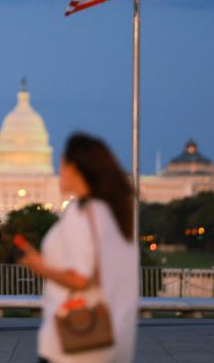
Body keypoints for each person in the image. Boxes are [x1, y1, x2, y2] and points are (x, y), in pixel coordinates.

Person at [18, 133, 138, 363]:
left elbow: (81, 278)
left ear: (74, 167)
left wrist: (39, 265)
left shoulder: (82, 212)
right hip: (114, 338)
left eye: (61, 163)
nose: (58, 171)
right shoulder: (116, 213)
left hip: (77, 341)